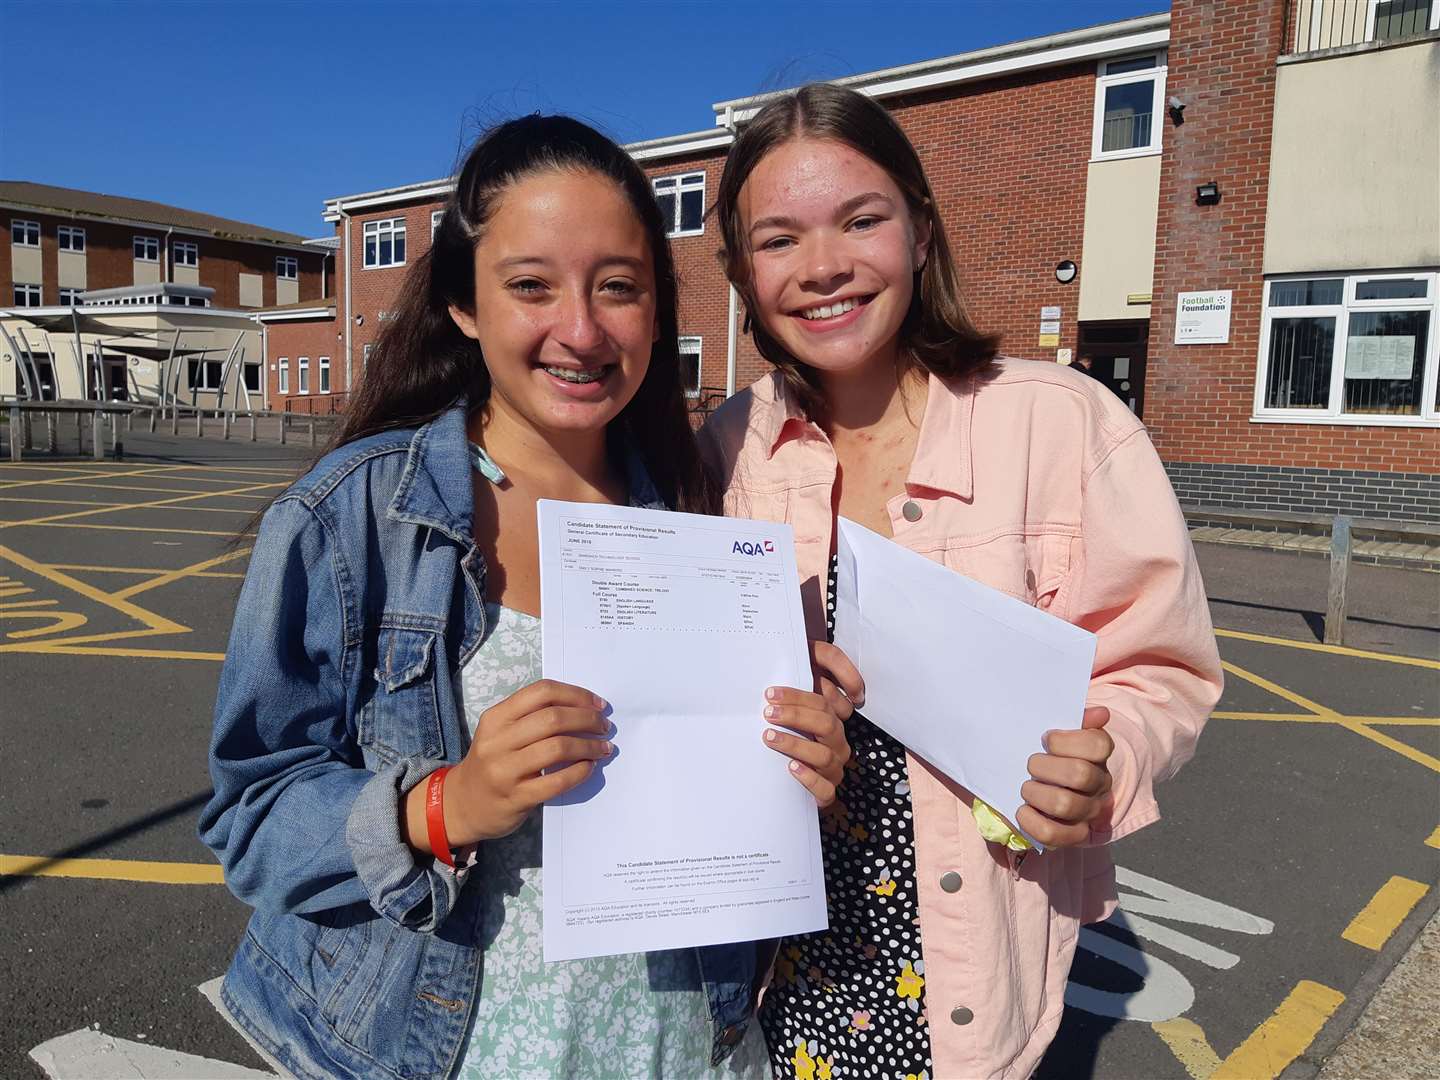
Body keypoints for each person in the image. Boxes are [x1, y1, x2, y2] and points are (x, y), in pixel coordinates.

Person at [199, 114, 855, 1080]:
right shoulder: (354, 516)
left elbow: (733, 799)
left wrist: (799, 757)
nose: (582, 330)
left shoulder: (701, 511)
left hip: (681, 1045)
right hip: (439, 1049)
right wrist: (441, 806)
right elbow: (251, 816)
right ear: (465, 303)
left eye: (619, 288)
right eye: (531, 285)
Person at [699, 83, 1224, 1080]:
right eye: (778, 240)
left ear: (921, 232)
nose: (824, 268)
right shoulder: (726, 445)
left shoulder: (1061, 424)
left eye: (862, 220)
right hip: (773, 973)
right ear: (740, 273)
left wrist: (1105, 769)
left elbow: (1158, 668)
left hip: (969, 966)